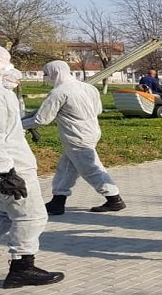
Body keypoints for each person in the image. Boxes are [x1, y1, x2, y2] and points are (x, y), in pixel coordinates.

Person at [0, 47, 65, 289]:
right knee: (32, 216)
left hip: (9, 166)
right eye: (6, 64)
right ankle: (22, 268)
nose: (12, 70)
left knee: (3, 216)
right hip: (12, 170)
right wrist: (4, 172)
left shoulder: (2, 93)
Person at [22, 61, 126, 214]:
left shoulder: (59, 93)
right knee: (66, 169)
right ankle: (58, 201)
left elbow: (41, 119)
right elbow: (98, 110)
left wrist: (16, 125)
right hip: (91, 132)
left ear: (55, 73)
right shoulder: (88, 87)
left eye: (46, 74)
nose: (46, 78)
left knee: (90, 168)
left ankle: (114, 199)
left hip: (76, 136)